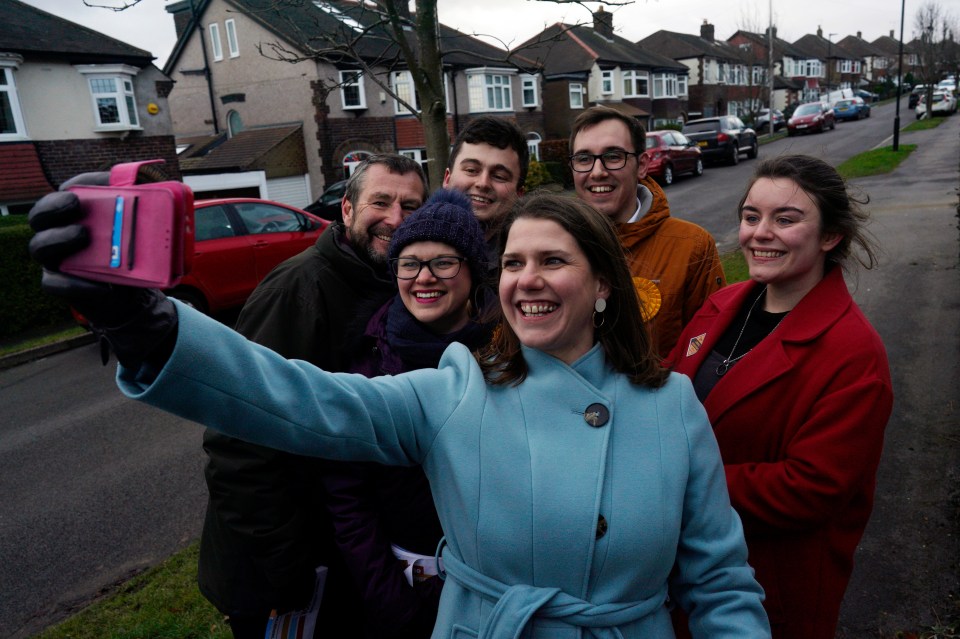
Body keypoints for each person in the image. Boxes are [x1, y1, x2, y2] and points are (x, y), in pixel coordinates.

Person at [30, 191, 772, 638]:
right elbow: (301, 399)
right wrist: (151, 328)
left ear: (605, 283)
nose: (527, 280)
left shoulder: (673, 407)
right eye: (512, 263)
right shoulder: (457, 385)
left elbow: (720, 583)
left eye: (553, 260)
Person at [198, 154, 428, 637]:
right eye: (380, 202)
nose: (395, 218)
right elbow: (237, 441)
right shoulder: (298, 290)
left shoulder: (392, 284)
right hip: (280, 570)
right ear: (346, 210)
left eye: (411, 205)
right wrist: (287, 566)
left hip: (338, 550)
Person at [666, 155, 893, 639]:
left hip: (768, 589)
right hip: (685, 574)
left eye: (785, 220)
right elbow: (665, 395)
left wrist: (678, 482)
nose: (759, 233)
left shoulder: (855, 354)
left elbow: (809, 490)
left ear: (830, 236)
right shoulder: (722, 306)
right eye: (751, 217)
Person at [320, 188, 497, 638]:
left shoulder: (506, 354)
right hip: (404, 587)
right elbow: (347, 495)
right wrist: (391, 602)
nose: (424, 278)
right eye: (409, 263)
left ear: (472, 271)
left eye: (443, 262)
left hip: (497, 589)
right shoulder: (368, 358)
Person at [569, 106, 726, 357]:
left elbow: (709, 349)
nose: (597, 172)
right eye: (584, 159)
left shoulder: (692, 246)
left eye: (613, 156)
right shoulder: (554, 246)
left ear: (642, 165)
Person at [442, 115, 528, 248]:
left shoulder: (529, 260)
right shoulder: (413, 247)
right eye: (471, 170)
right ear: (447, 178)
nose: (483, 183)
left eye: (499, 176)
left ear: (519, 194)